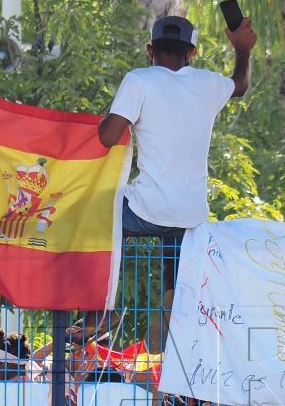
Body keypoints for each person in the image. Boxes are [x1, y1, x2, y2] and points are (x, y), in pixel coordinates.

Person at [98, 14, 255, 239]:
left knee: (91, 211)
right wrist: (243, 48)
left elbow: (107, 137)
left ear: (150, 50)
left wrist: (118, 108)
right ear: (191, 52)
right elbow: (240, 85)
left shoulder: (139, 80)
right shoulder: (208, 83)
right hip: (192, 216)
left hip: (146, 212)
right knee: (176, 259)